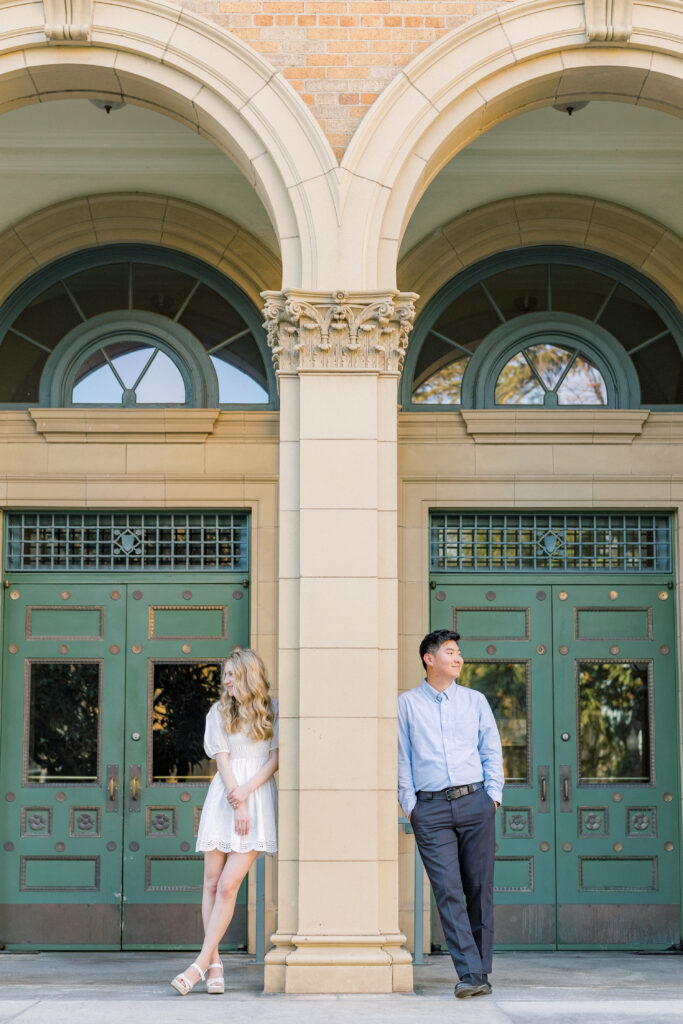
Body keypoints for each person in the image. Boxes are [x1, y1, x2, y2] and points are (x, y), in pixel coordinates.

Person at [398, 629, 503, 999]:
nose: (458, 658)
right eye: (450, 652)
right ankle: (471, 972)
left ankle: (479, 972)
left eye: (459, 652)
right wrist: (410, 806)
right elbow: (401, 757)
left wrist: (493, 796)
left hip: (476, 803)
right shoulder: (406, 704)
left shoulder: (475, 701)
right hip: (430, 809)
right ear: (429, 659)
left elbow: (491, 750)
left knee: (478, 889)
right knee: (448, 890)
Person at [171, 648, 279, 995]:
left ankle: (199, 963)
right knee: (212, 883)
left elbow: (274, 760)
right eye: (225, 676)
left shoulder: (272, 711)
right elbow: (222, 759)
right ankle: (215, 964)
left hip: (257, 796)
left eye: (232, 675)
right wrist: (237, 799)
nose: (226, 681)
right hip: (226, 796)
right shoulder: (218, 711)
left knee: (230, 885)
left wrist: (247, 795)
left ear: (249, 675)